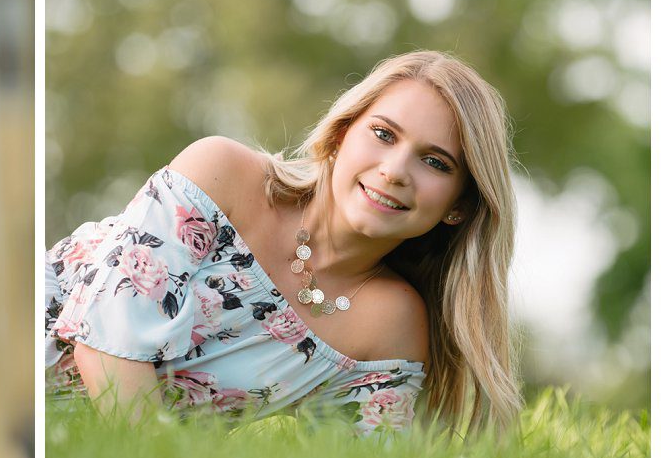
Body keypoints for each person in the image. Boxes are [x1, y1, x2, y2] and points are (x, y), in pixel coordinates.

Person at [43, 50, 520, 436]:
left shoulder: (389, 323)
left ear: (460, 205)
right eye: (382, 134)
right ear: (339, 135)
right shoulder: (223, 174)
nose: (394, 171)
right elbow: (105, 338)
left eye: (436, 162)